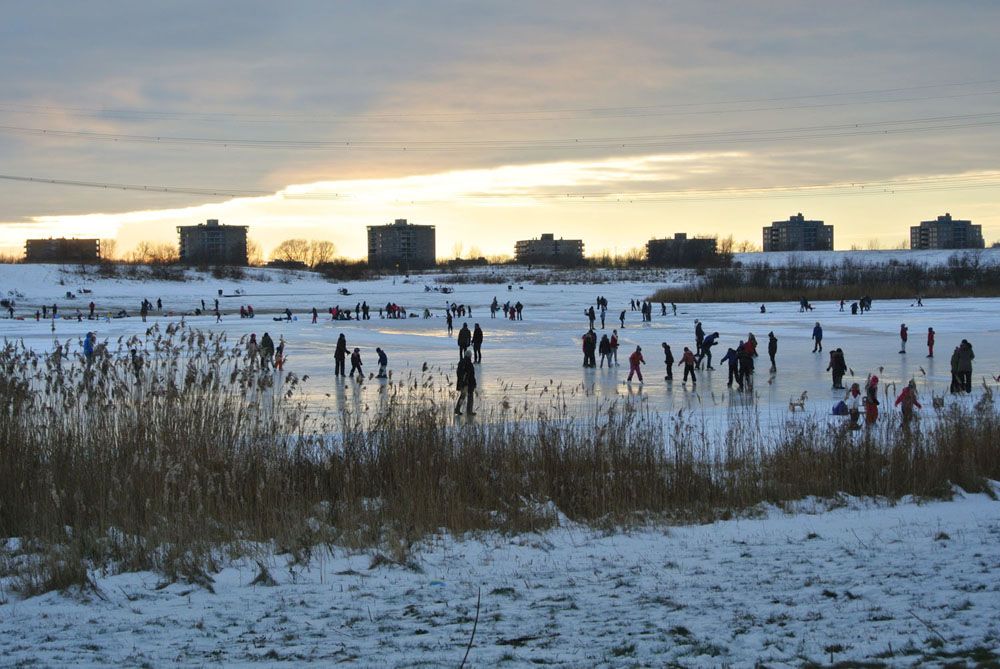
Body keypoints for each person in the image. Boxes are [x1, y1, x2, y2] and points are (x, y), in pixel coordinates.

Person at [455, 350, 476, 416]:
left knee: (462, 397)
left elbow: (458, 373)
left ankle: (457, 409)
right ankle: (469, 411)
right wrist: (474, 383)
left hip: (461, 383)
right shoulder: (469, 364)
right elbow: (471, 375)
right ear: (470, 356)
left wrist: (460, 382)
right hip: (468, 384)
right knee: (470, 397)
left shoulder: (461, 362)